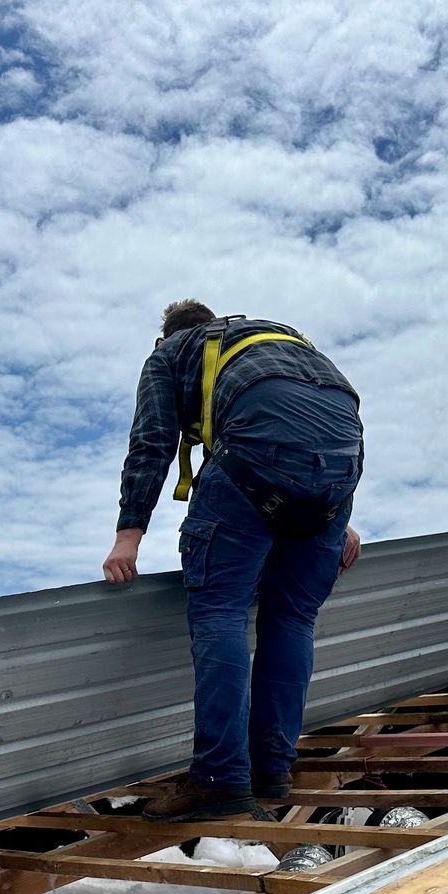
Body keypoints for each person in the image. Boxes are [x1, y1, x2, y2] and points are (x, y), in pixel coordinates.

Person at [103, 299, 364, 821]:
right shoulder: (278, 335)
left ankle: (220, 779)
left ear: (167, 337)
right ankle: (272, 771)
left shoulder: (172, 353)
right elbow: (318, 420)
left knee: (220, 610)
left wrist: (128, 536)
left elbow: (152, 441)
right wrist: (331, 513)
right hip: (339, 468)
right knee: (292, 618)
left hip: (259, 454)